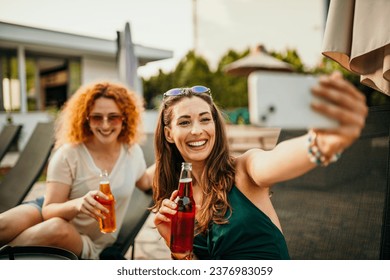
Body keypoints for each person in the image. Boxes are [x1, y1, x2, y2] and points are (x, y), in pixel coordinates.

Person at [152, 72, 368, 260]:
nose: (197, 130)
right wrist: (178, 247)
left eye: (205, 119)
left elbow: (273, 161)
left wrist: (318, 144)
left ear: (215, 125)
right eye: (184, 122)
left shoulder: (244, 169)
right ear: (169, 134)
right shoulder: (179, 197)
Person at [0, 81, 154, 259]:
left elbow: (145, 181)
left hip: (87, 238)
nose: (105, 125)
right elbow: (48, 209)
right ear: (86, 119)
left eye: (113, 117)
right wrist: (79, 204)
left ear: (125, 118)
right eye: (97, 117)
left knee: (56, 228)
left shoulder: (132, 153)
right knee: (4, 224)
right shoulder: (69, 153)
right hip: (53, 207)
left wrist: (178, 153)